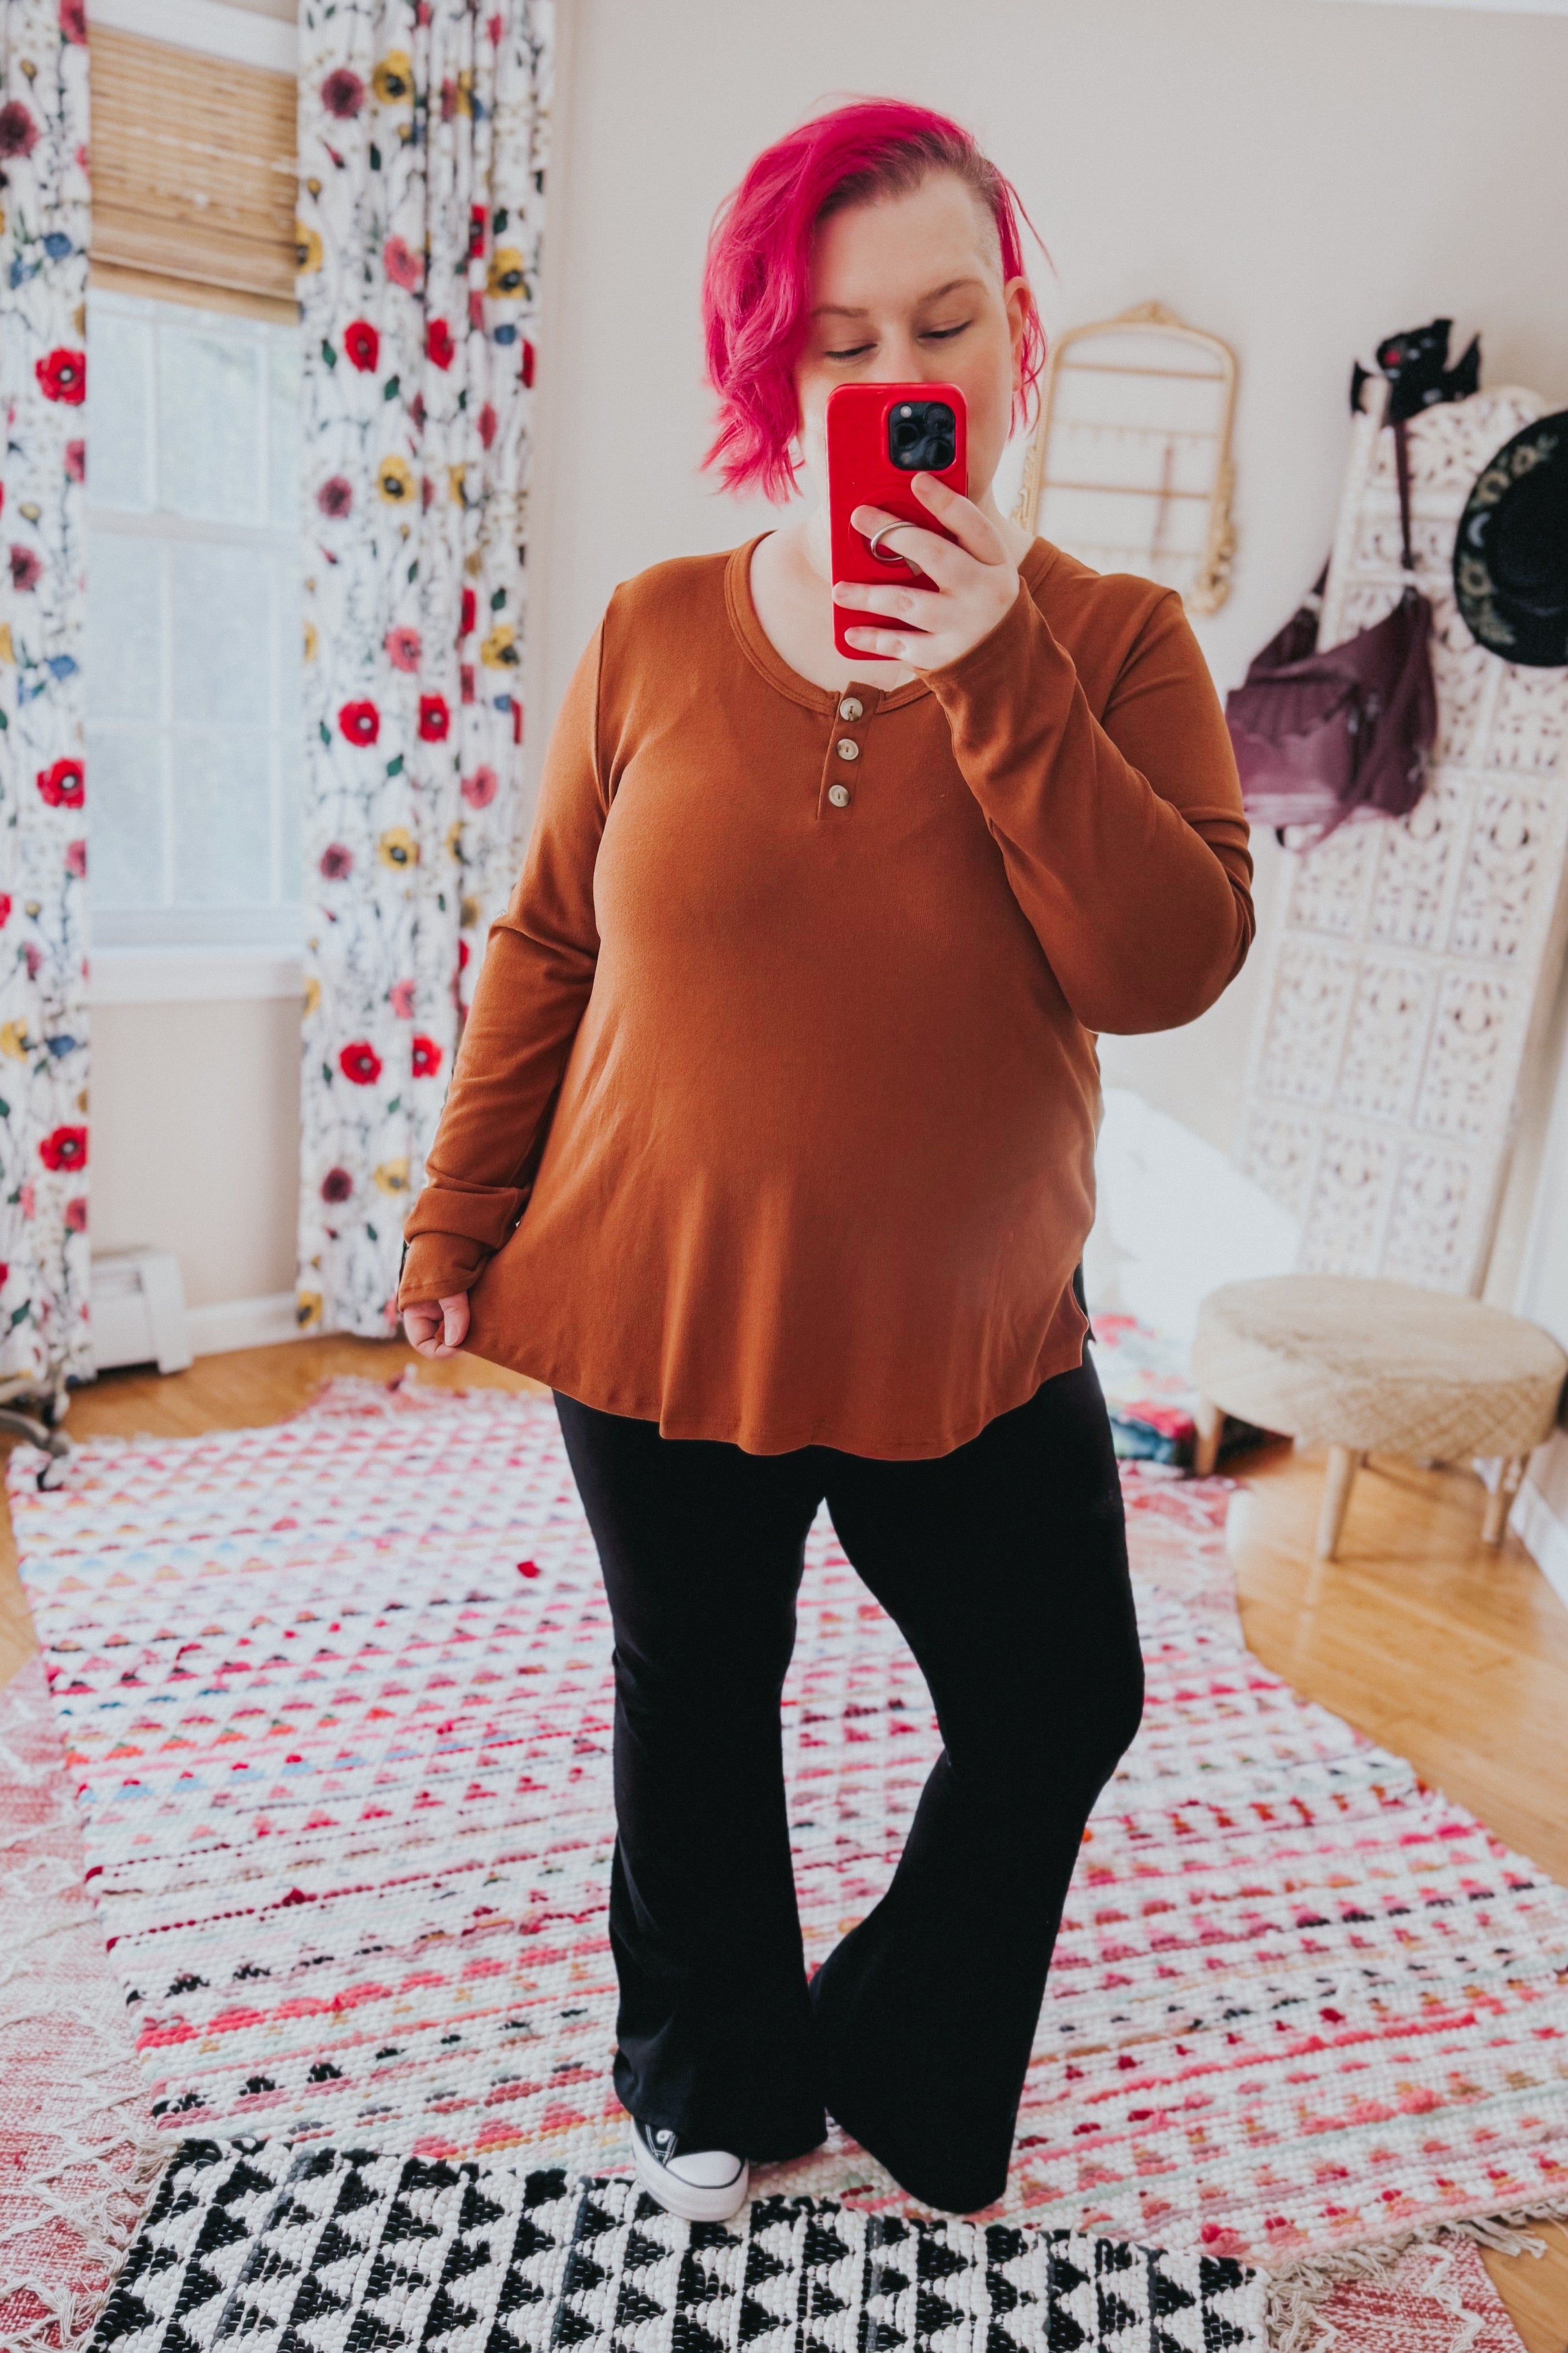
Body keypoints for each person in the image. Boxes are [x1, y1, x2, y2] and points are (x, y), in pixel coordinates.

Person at [397, 99, 1253, 2223]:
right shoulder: (656, 627)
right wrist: (457, 1206)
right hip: (656, 1284)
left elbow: (1164, 964)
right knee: (698, 1701)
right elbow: (549, 942)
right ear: (773, 371)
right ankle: (713, 2074)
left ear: (1017, 339)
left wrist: (994, 673)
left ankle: (899, 2034)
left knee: (1059, 1699)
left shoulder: (1120, 637)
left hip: (967, 1324)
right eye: (840, 339)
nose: (899, 379)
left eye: (946, 322)